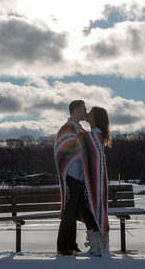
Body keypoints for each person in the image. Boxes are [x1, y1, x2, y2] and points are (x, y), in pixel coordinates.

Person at [54, 100, 90, 255]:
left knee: (73, 211)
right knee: (70, 211)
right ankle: (62, 246)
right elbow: (64, 151)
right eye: (83, 109)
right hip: (71, 175)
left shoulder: (78, 128)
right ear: (76, 110)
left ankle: (71, 244)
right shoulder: (67, 129)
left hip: (78, 176)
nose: (86, 112)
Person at [79, 106, 111, 256]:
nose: (87, 113)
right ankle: (101, 243)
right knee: (92, 207)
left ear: (96, 117)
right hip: (96, 178)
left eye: (90, 112)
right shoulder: (93, 135)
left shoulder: (94, 136)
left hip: (95, 179)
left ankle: (97, 245)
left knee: (90, 207)